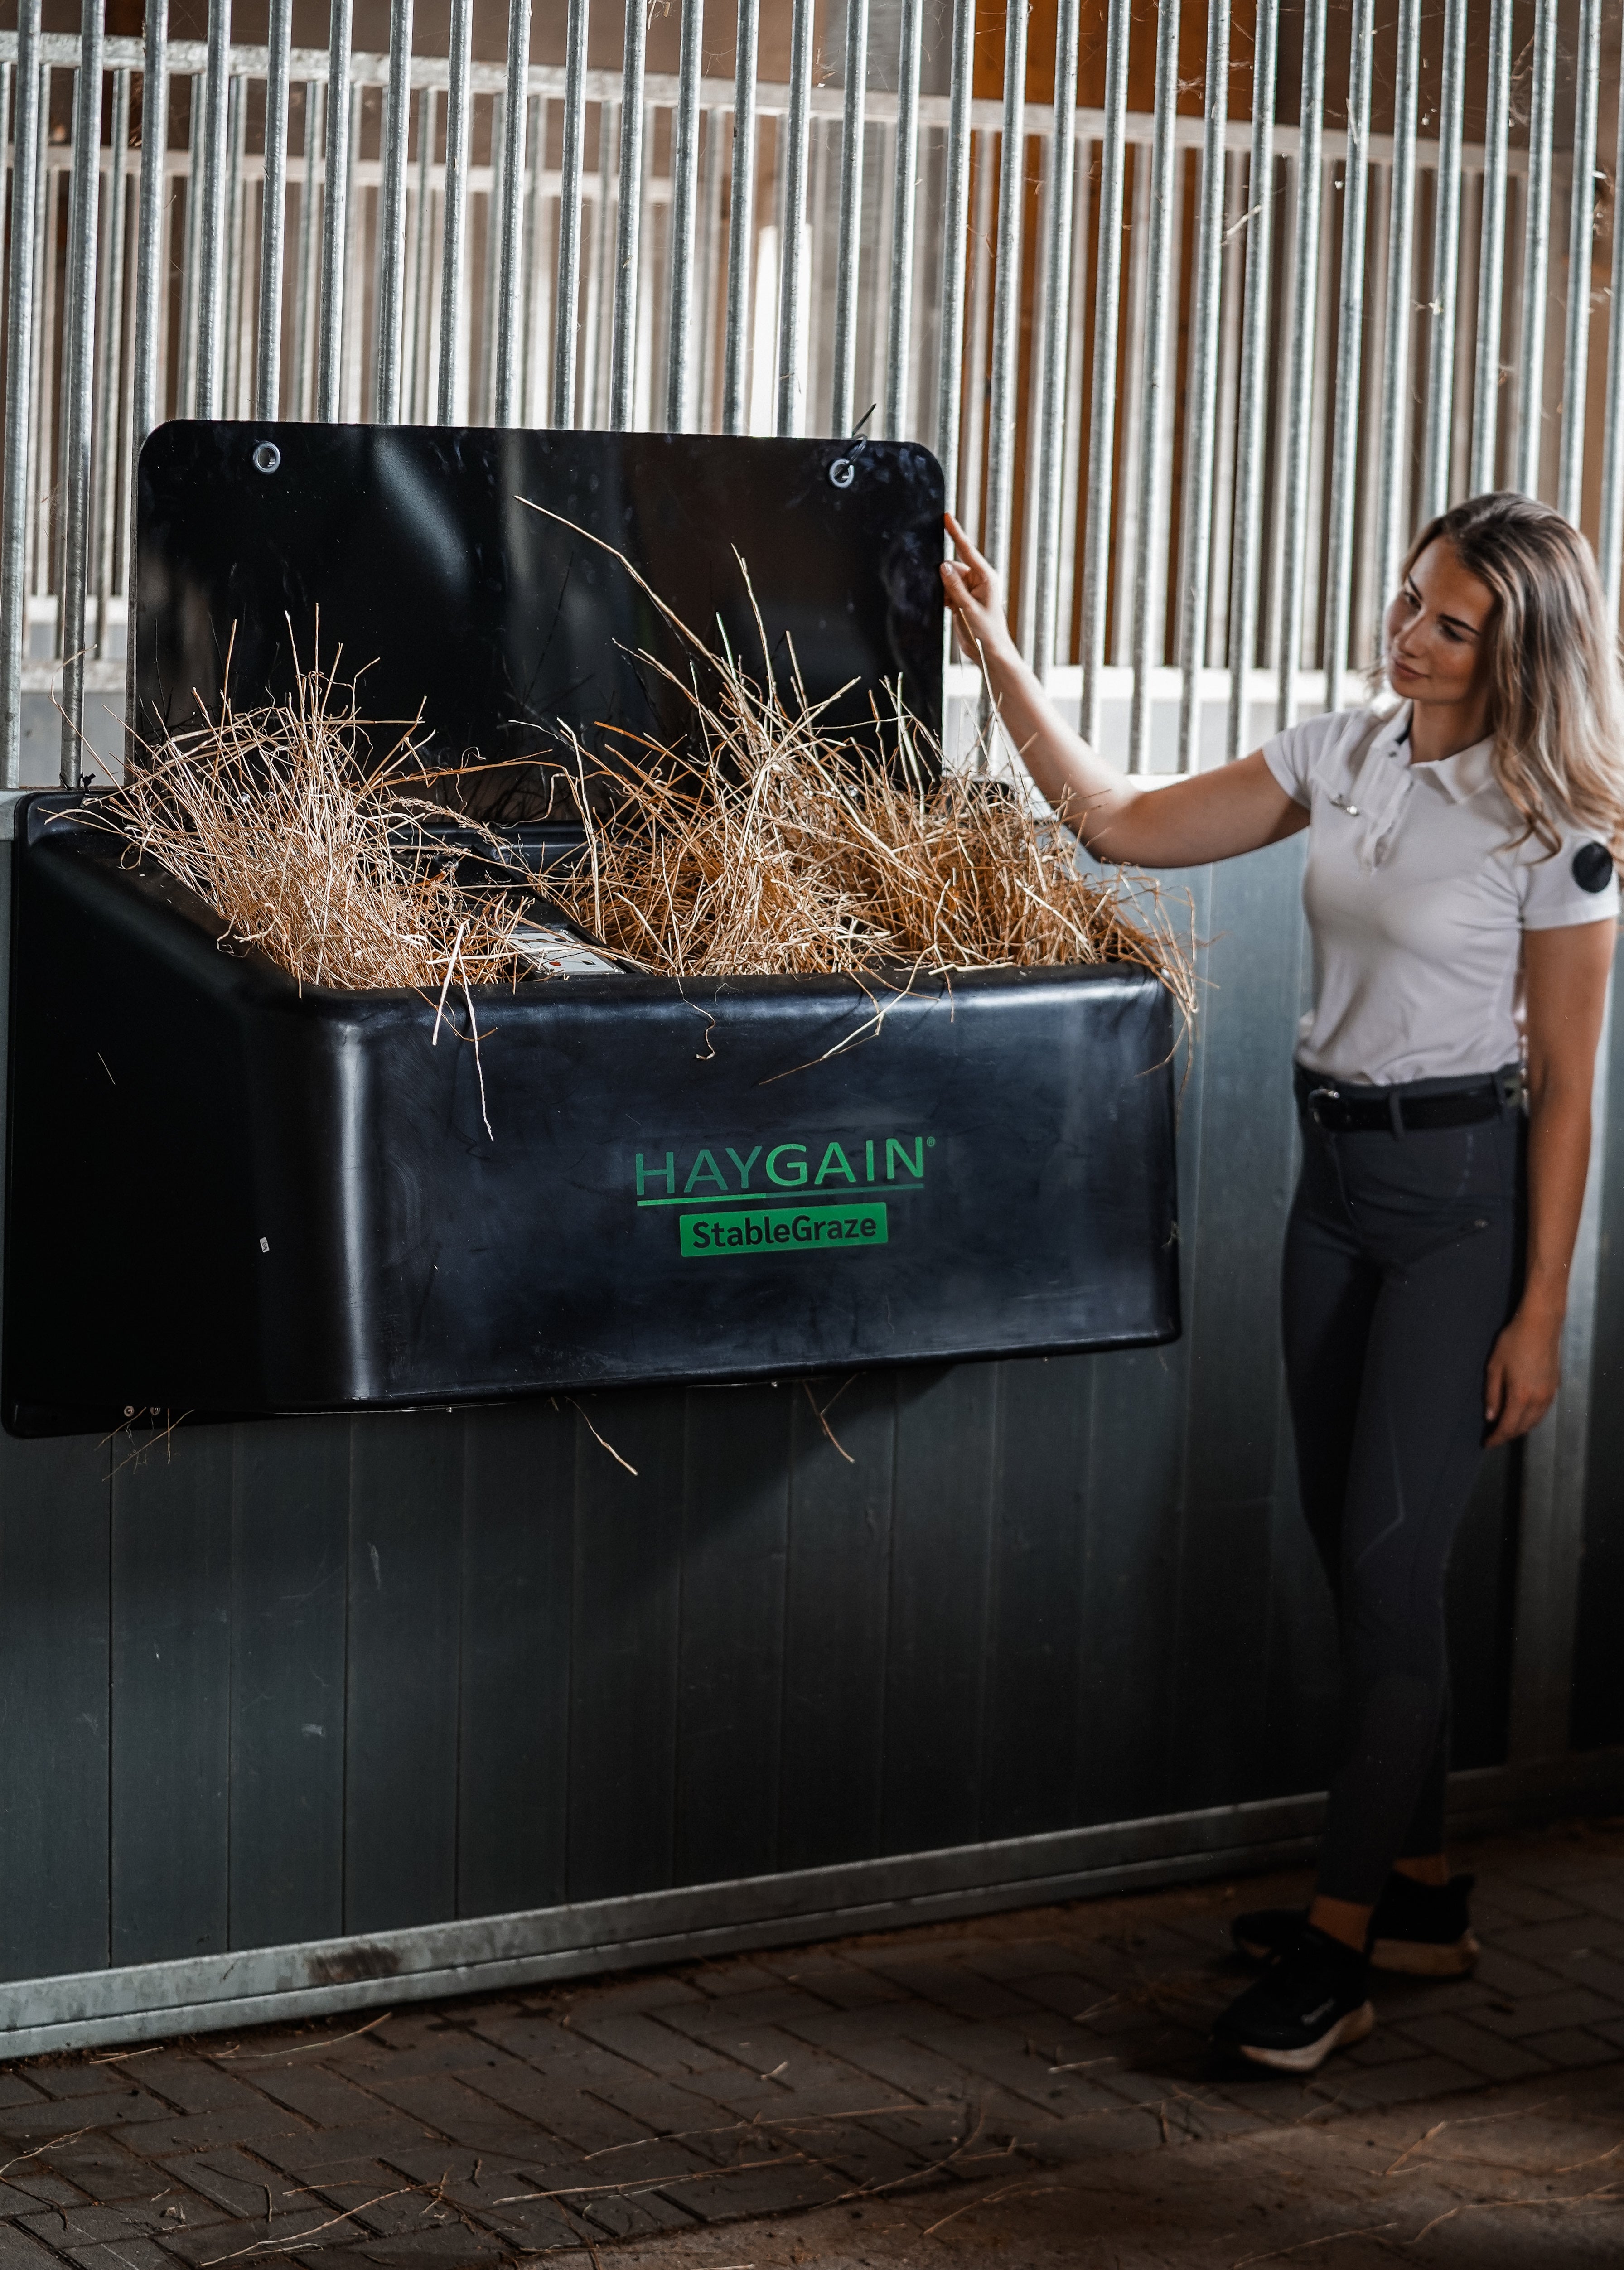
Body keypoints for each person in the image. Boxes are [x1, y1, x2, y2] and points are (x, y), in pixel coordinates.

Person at [941, 491, 1624, 2075]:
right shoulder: (1345, 753)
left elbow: (1576, 1091)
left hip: (1462, 1205)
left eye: (1448, 623)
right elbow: (1113, 819)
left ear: (1517, 644)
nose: (1409, 636)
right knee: (1359, 1555)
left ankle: (1339, 1949)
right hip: (1332, 1191)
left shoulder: (1559, 825)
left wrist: (1541, 1310)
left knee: (1390, 1580)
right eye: (1409, 602)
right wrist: (991, 643)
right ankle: (1429, 1894)